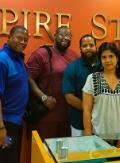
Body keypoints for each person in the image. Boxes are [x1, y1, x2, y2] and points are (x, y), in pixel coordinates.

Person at [26, 26, 78, 140]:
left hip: (67, 115)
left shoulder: (74, 56)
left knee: (64, 154)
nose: (65, 38)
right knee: (44, 153)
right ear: (54, 36)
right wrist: (43, 98)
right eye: (61, 35)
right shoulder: (41, 53)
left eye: (68, 35)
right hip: (46, 114)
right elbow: (28, 78)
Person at [83, 42, 120, 141]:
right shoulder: (92, 79)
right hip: (97, 136)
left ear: (117, 58)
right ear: (100, 59)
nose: (107, 60)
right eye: (104, 57)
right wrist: (88, 135)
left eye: (111, 56)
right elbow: (87, 109)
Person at [0, 25, 29, 163]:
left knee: (13, 158)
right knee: (6, 159)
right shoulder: (2, 60)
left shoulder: (18, 58)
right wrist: (1, 128)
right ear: (9, 38)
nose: (23, 42)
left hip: (16, 122)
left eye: (25, 39)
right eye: (19, 38)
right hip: (6, 124)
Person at [62, 34, 98, 137]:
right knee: (79, 152)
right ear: (80, 49)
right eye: (85, 46)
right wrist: (91, 109)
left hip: (101, 123)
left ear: (96, 47)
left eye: (91, 45)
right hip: (78, 123)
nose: (88, 48)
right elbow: (69, 97)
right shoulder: (72, 67)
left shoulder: (103, 65)